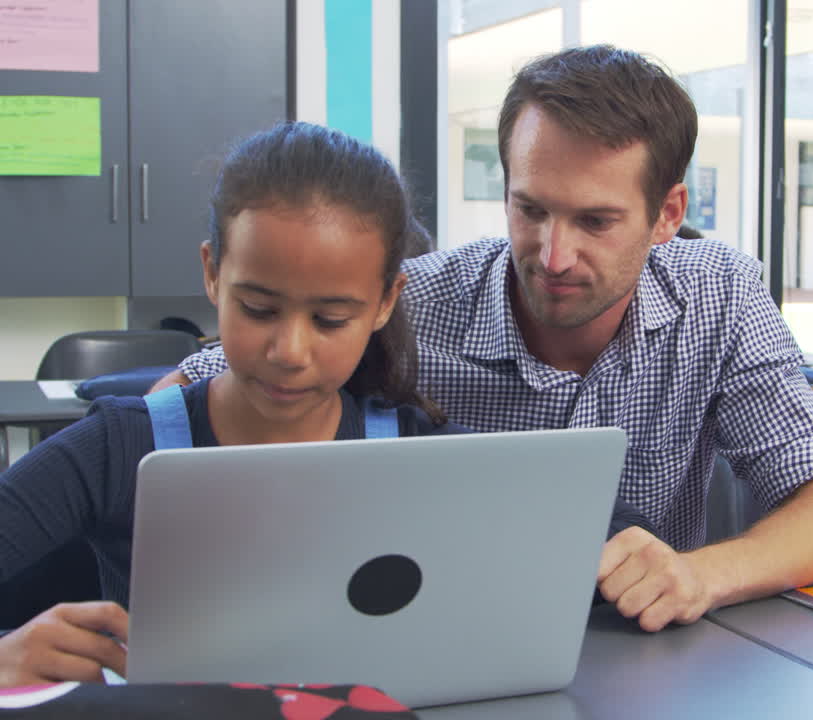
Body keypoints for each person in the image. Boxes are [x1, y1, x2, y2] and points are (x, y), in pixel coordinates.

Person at [162, 45, 813, 632]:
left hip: (646, 656)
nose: (553, 254)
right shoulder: (415, 299)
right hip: (435, 641)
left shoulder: (719, 292)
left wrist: (702, 573)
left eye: (594, 222)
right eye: (529, 208)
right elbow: (185, 391)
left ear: (667, 214)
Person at [0, 123, 650, 687]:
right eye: (258, 309)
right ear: (211, 273)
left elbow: (591, 521)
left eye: (331, 318)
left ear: (385, 302)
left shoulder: (419, 452)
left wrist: (641, 559)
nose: (289, 350)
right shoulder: (121, 447)